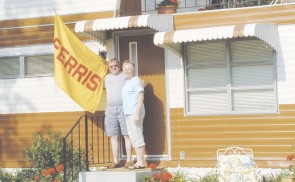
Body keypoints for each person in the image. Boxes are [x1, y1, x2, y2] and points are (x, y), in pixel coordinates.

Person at [104, 58, 133, 169]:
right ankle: (116, 161)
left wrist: (142, 83)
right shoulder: (107, 78)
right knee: (113, 136)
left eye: (115, 65)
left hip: (123, 108)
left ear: (119, 66)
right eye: (111, 66)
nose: (113, 68)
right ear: (109, 68)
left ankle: (129, 160)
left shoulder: (124, 76)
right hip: (110, 109)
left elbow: (134, 83)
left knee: (127, 135)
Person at [121, 60, 146, 169]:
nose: (127, 71)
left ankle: (140, 162)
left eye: (129, 69)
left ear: (133, 70)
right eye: (125, 69)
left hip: (135, 113)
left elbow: (141, 99)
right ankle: (139, 161)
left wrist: (137, 114)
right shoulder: (127, 82)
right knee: (133, 137)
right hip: (128, 113)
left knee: (137, 136)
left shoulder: (136, 80)